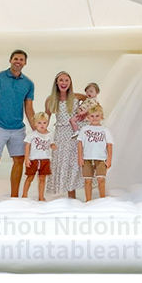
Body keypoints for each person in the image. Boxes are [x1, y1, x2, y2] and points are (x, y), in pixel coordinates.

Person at [0, 49, 35, 201]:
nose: (18, 61)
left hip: (17, 128)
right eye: (16, 59)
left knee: (19, 160)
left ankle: (14, 197)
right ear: (10, 60)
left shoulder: (28, 83)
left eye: (21, 59)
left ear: (25, 63)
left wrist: (36, 130)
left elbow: (29, 109)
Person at [44, 71, 86, 199]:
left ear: (70, 82)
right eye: (61, 80)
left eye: (66, 80)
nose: (64, 83)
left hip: (74, 133)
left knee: (74, 162)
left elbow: (92, 101)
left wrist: (84, 113)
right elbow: (46, 119)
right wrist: (42, 136)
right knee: (63, 162)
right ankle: (69, 196)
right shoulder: (51, 100)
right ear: (56, 82)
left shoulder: (77, 97)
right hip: (61, 135)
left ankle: (74, 196)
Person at [76, 105, 113, 201]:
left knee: (101, 179)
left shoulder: (105, 130)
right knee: (88, 181)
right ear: (88, 117)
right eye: (92, 116)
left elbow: (109, 145)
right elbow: (80, 143)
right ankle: (88, 200)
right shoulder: (84, 129)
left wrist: (109, 159)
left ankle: (102, 200)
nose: (94, 118)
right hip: (87, 159)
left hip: (101, 159)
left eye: (97, 116)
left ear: (101, 117)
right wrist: (80, 157)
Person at [22, 112, 55, 201]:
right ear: (35, 123)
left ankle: (41, 197)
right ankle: (24, 195)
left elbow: (51, 143)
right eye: (39, 123)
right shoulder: (32, 134)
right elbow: (27, 146)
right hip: (33, 160)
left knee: (42, 179)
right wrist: (26, 158)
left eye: (44, 123)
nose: (42, 125)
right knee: (30, 177)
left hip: (45, 160)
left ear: (47, 123)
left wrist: (53, 146)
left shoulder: (50, 134)